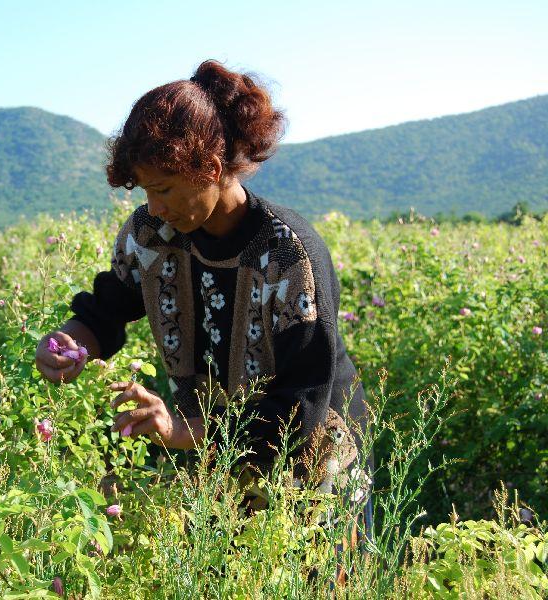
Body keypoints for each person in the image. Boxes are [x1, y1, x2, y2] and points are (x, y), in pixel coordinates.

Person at [34, 59, 372, 545]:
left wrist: (179, 431)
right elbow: (107, 309)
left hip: (315, 457)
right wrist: (67, 343)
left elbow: (299, 406)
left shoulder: (287, 253)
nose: (154, 206)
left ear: (210, 169)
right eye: (147, 191)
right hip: (211, 444)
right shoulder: (151, 235)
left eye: (164, 189)